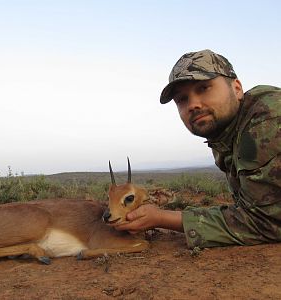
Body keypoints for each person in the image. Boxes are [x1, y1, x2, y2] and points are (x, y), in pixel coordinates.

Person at [115, 49, 281, 249]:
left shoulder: (266, 122)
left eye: (204, 88)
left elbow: (268, 222)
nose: (193, 104)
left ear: (236, 88)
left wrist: (161, 218)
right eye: (182, 99)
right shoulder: (225, 135)